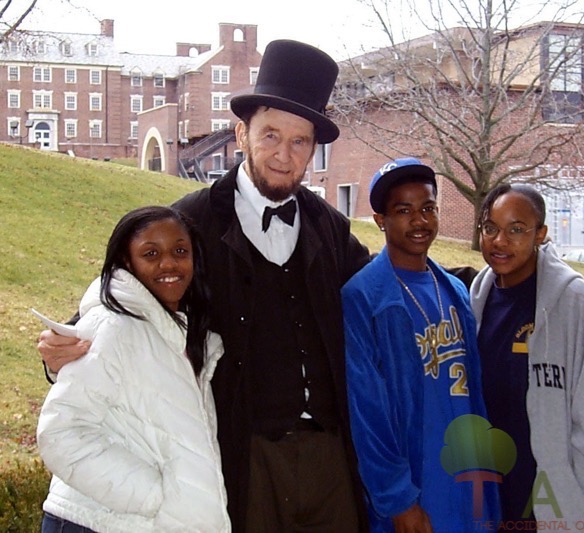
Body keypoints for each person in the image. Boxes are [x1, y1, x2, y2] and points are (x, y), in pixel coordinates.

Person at [38, 40, 370, 532]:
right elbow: (120, 297)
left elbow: (381, 290)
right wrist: (61, 348)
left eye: (299, 142)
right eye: (271, 135)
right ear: (241, 133)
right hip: (240, 453)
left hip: (328, 457)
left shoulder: (329, 227)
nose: (283, 154)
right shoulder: (189, 221)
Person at [36, 206, 230, 532]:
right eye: (150, 253)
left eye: (180, 251)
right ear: (127, 263)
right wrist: (155, 497)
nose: (168, 263)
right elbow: (61, 433)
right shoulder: (112, 327)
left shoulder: (186, 337)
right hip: (99, 522)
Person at [341, 158, 500, 532]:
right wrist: (398, 500)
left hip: (468, 482)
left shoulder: (456, 290)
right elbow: (367, 413)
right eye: (404, 210)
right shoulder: (364, 298)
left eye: (428, 208)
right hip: (416, 487)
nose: (419, 221)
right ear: (381, 220)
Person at [469, 183, 584, 529]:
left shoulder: (575, 301)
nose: (500, 241)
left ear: (540, 234)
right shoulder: (478, 298)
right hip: (495, 497)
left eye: (516, 230)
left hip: (558, 497)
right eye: (491, 228)